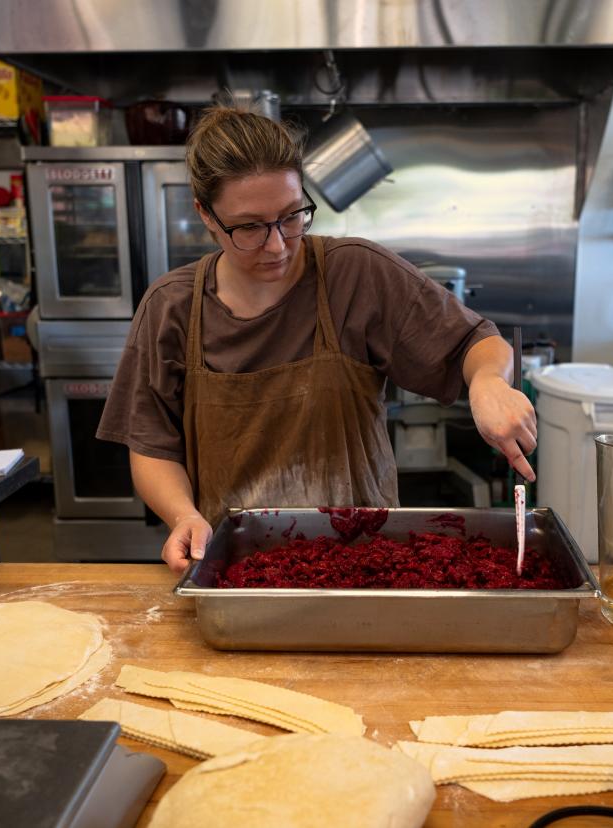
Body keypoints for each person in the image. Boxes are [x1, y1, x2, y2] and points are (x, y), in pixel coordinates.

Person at [97, 106, 537, 573]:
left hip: (366, 564)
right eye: (249, 227)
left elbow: (477, 341)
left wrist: (488, 381)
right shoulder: (172, 307)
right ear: (205, 213)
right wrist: (183, 515)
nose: (278, 245)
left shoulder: (357, 274)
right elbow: (150, 445)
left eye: (291, 216)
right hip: (236, 569)